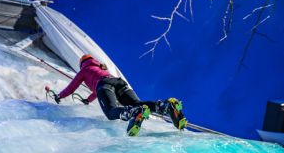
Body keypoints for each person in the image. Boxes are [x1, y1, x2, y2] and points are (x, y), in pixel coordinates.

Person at [54, 54, 187, 136]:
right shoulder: (100, 69)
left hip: (103, 85)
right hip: (119, 83)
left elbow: (73, 87)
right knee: (138, 104)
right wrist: (88, 100)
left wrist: (60, 96)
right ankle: (165, 106)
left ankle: (132, 113)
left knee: (110, 111)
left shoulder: (85, 70)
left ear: (82, 63)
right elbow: (97, 93)